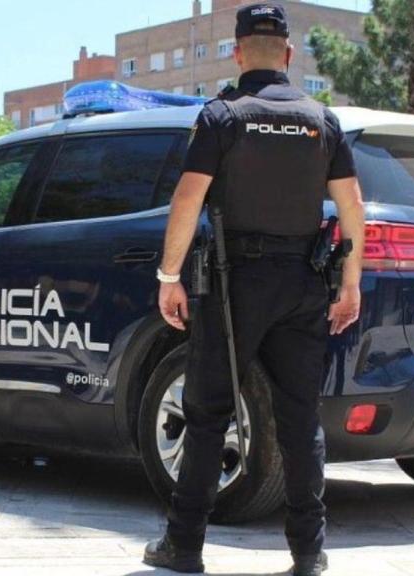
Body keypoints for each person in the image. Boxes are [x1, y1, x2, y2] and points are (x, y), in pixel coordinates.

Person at [143, 3, 365, 575]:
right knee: (299, 419)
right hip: (303, 284)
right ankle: (308, 554)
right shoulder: (323, 120)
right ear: (289, 55)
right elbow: (351, 209)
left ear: (238, 51)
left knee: (208, 411)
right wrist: (351, 283)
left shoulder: (222, 116)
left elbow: (187, 201)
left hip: (234, 280)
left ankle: (184, 547)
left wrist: (169, 277)